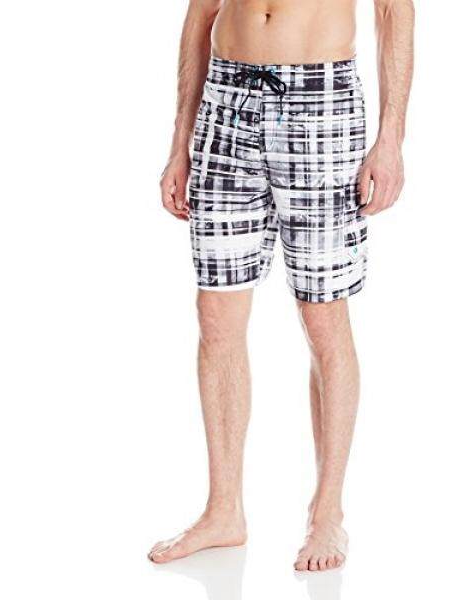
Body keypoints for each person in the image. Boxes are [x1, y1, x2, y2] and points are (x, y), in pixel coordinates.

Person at [148, 0, 414, 572]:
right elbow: (201, 12)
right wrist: (180, 141)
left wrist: (391, 138)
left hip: (320, 102)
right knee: (216, 317)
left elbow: (394, 9)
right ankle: (223, 510)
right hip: (225, 101)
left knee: (323, 316)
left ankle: (327, 512)